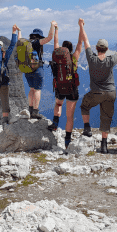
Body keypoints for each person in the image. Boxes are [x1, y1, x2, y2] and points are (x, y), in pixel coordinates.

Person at [78, 19, 117, 154]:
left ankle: (87, 128)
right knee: (106, 118)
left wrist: (81, 26)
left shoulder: (91, 59)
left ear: (97, 48)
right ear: (107, 49)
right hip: (111, 92)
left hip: (96, 92)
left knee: (84, 106)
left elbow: (86, 41)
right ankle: (104, 146)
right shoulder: (111, 60)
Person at [47, 21, 84, 149]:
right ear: (71, 50)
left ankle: (55, 123)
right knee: (70, 116)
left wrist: (56, 28)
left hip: (59, 86)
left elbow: (55, 42)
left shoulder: (57, 55)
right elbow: (80, 43)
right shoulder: (74, 57)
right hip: (72, 88)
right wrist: (81, 26)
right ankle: (67, 141)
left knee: (58, 103)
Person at [21, 21, 57, 119]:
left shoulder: (26, 43)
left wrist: (18, 31)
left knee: (31, 89)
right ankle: (35, 112)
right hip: (37, 69)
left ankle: (30, 108)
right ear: (39, 36)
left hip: (27, 70)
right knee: (37, 90)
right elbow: (49, 38)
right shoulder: (37, 42)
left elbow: (19, 40)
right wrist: (52, 25)